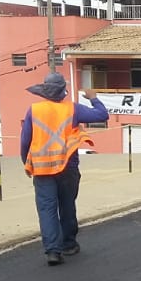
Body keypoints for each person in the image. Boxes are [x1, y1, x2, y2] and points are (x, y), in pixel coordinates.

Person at [20, 72, 109, 266]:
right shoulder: (73, 109)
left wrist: (26, 162)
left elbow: (25, 140)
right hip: (68, 167)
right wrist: (94, 98)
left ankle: (53, 251)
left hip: (42, 169)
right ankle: (68, 244)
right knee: (67, 205)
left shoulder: (34, 110)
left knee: (47, 209)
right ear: (63, 91)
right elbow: (102, 115)